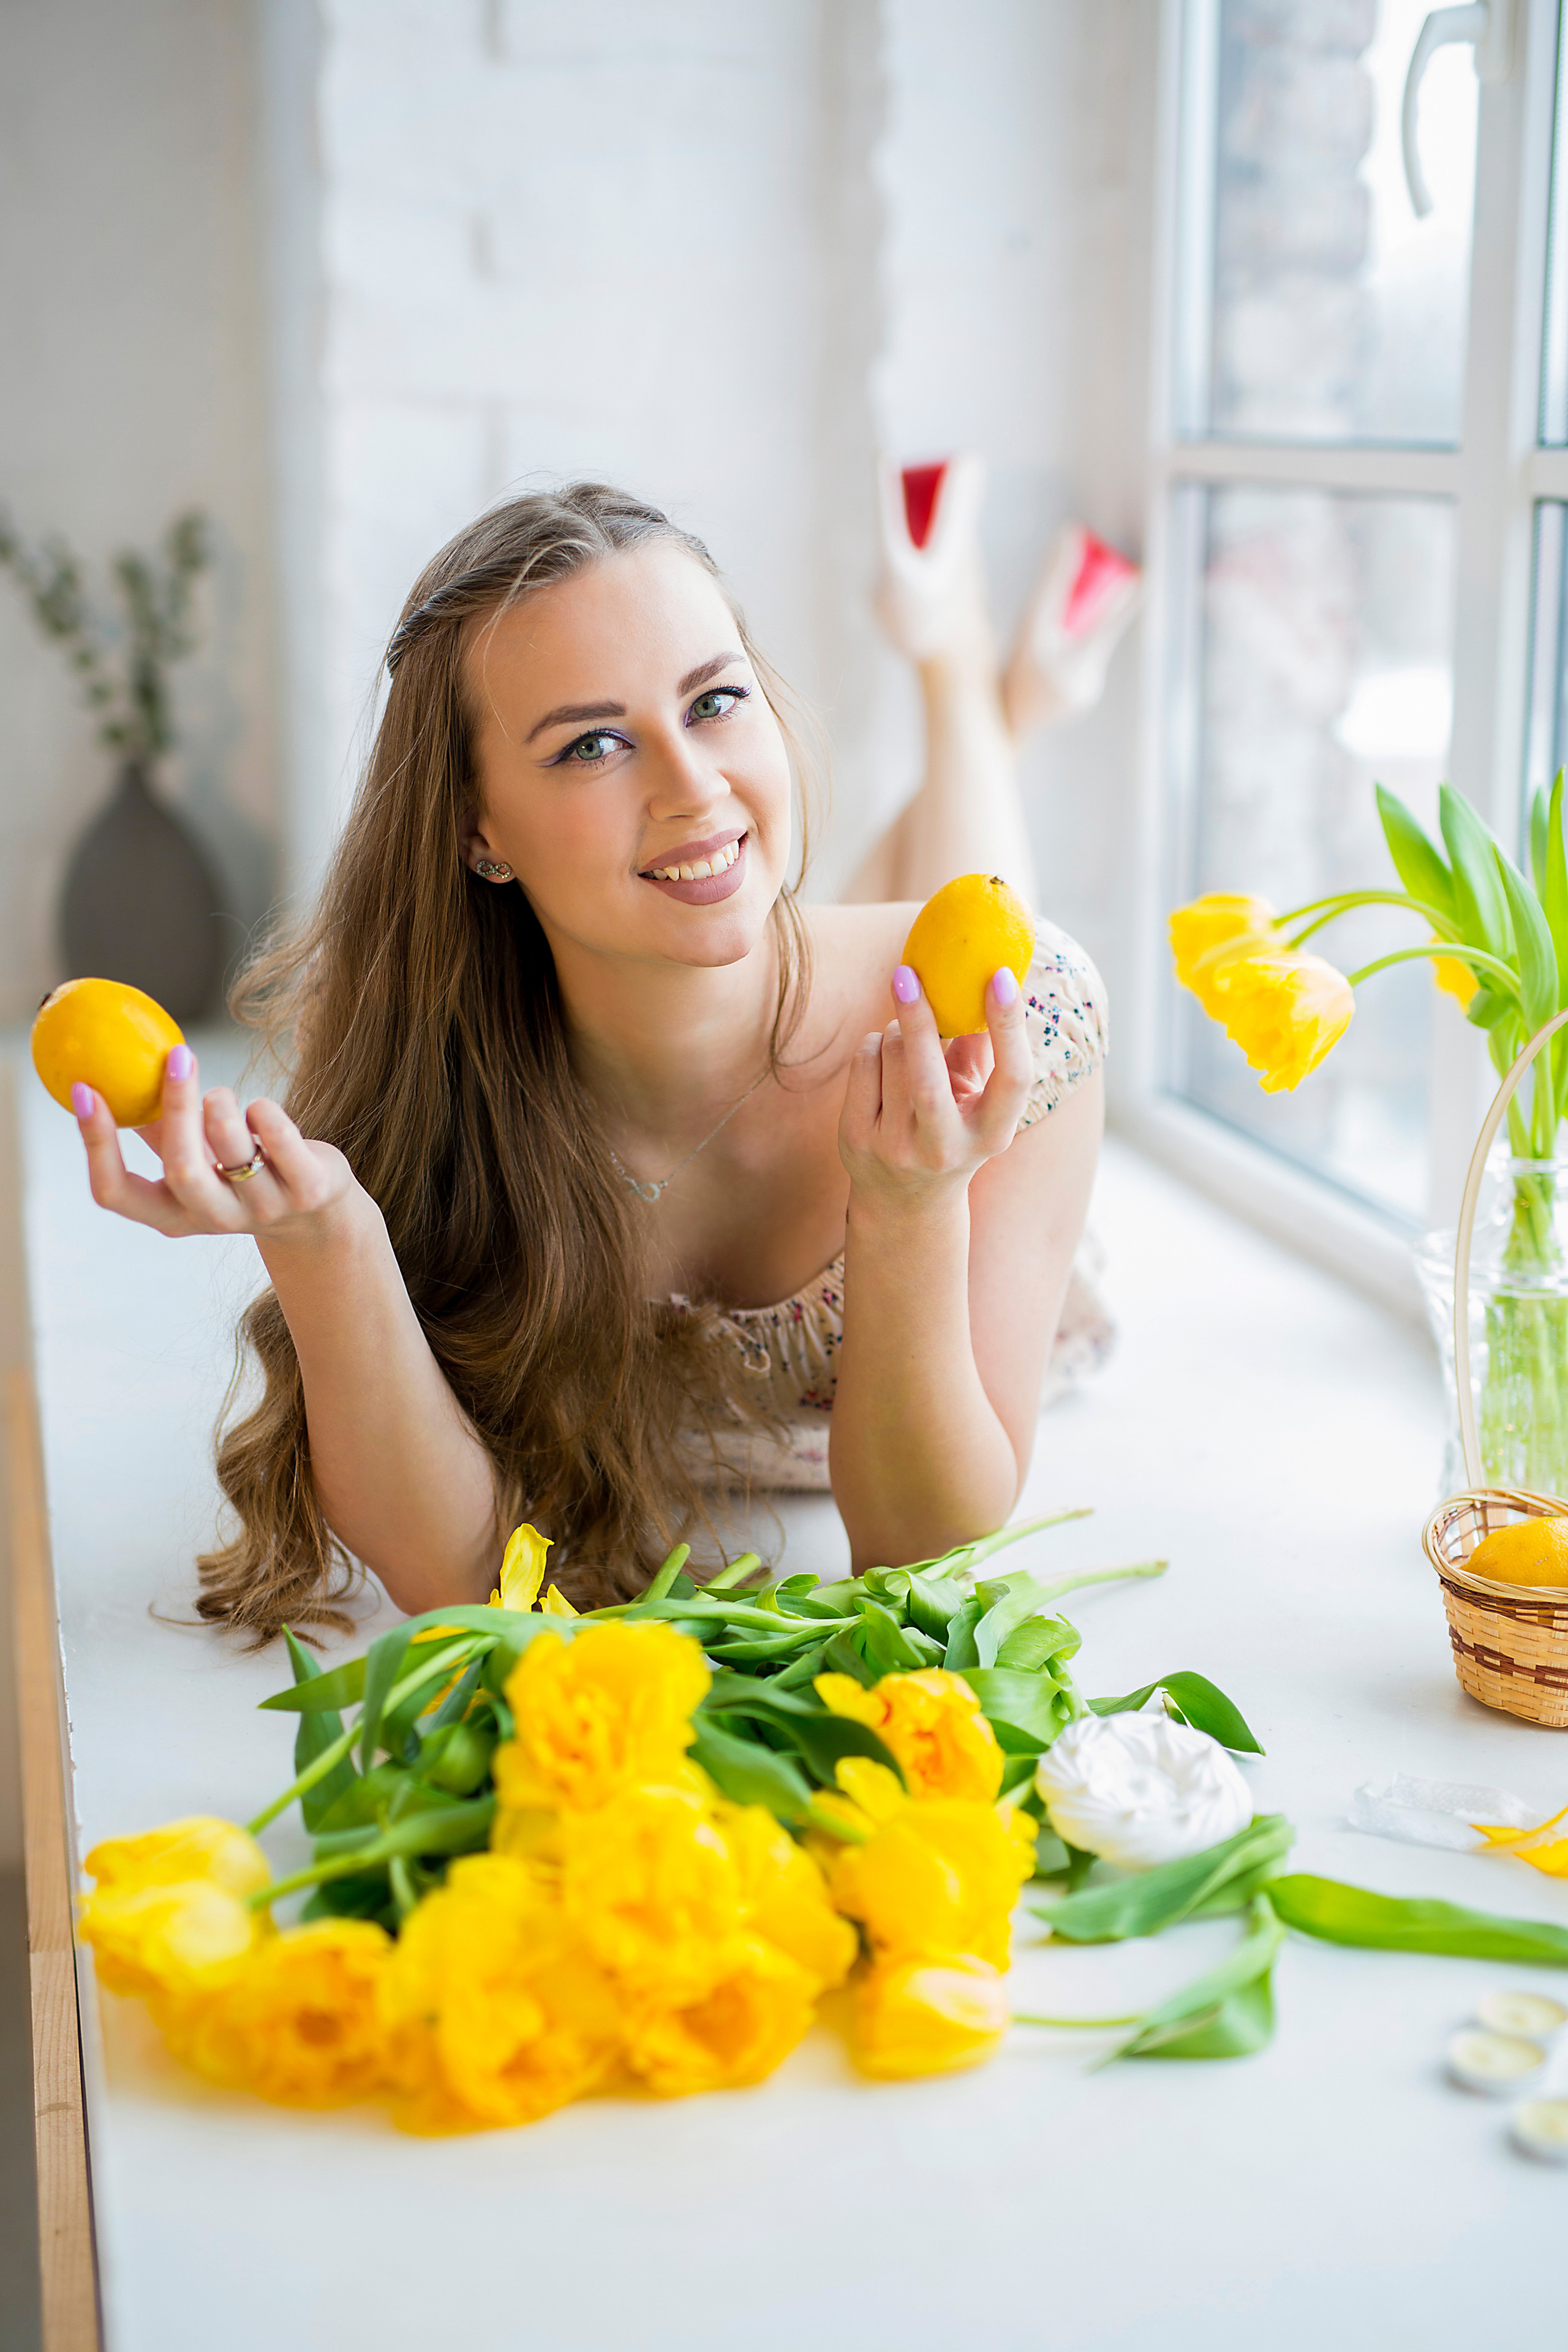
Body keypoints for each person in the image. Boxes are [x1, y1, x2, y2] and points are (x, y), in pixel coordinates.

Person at [67, 476, 1131, 1642]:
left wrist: (912, 1204)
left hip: (938, 1148)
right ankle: (994, 688)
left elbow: (920, 1557)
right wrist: (327, 1241)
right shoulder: (424, 1069)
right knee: (797, 886)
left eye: (717, 700)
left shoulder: (1037, 1024)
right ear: (478, 829)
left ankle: (961, 670)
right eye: (594, 744)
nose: (692, 783)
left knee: (972, 944)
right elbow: (460, 1577)